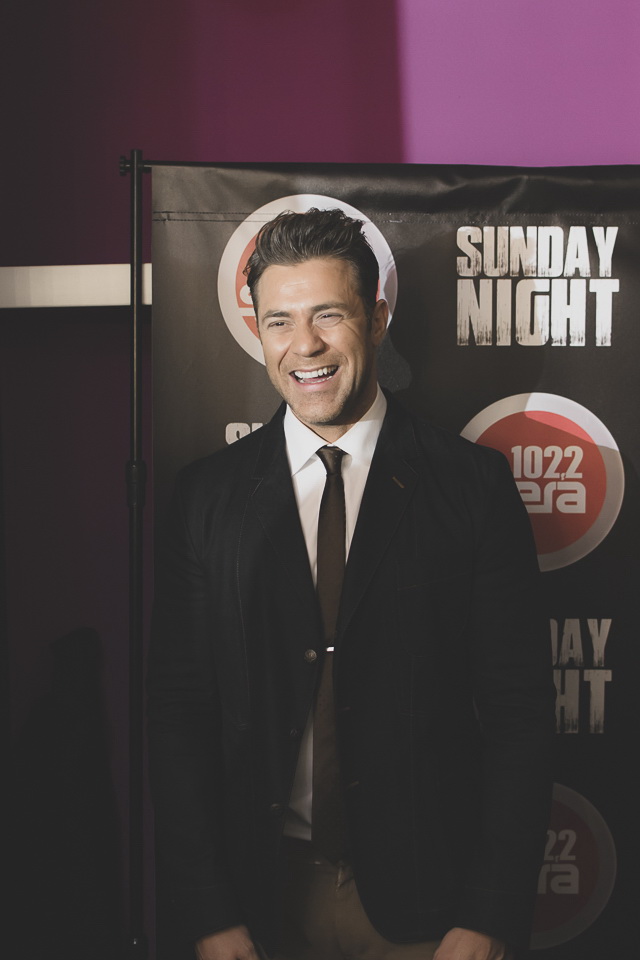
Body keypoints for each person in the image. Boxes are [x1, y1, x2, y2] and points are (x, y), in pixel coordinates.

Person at [148, 208, 555, 960]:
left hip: (431, 913)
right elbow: (177, 714)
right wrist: (206, 911)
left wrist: (491, 913)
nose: (303, 345)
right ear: (257, 329)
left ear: (377, 316)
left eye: (328, 315)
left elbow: (519, 712)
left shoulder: (471, 486)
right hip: (258, 906)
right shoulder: (206, 498)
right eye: (280, 320)